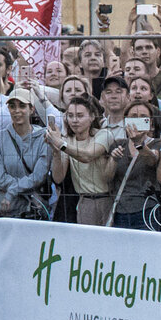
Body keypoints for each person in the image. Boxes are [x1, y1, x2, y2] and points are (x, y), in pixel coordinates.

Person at [46, 95, 115, 226]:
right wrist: (56, 151)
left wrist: (61, 144)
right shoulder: (68, 141)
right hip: (84, 201)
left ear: (92, 117)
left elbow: (87, 156)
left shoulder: (104, 134)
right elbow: (58, 177)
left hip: (106, 198)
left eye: (80, 115)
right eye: (70, 116)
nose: (74, 120)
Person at [0, 89, 52, 218]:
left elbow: (39, 176)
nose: (17, 111)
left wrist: (12, 191)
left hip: (33, 210)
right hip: (5, 210)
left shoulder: (44, 138)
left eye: (22, 106)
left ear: (32, 109)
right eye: (12, 106)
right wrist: (26, 188)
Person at [109, 102, 161, 229]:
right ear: (126, 120)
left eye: (143, 116)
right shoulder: (118, 144)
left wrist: (139, 144)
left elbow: (152, 160)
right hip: (120, 211)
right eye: (133, 116)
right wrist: (113, 160)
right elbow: (106, 177)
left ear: (150, 122)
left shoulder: (158, 143)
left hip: (147, 210)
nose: (137, 120)